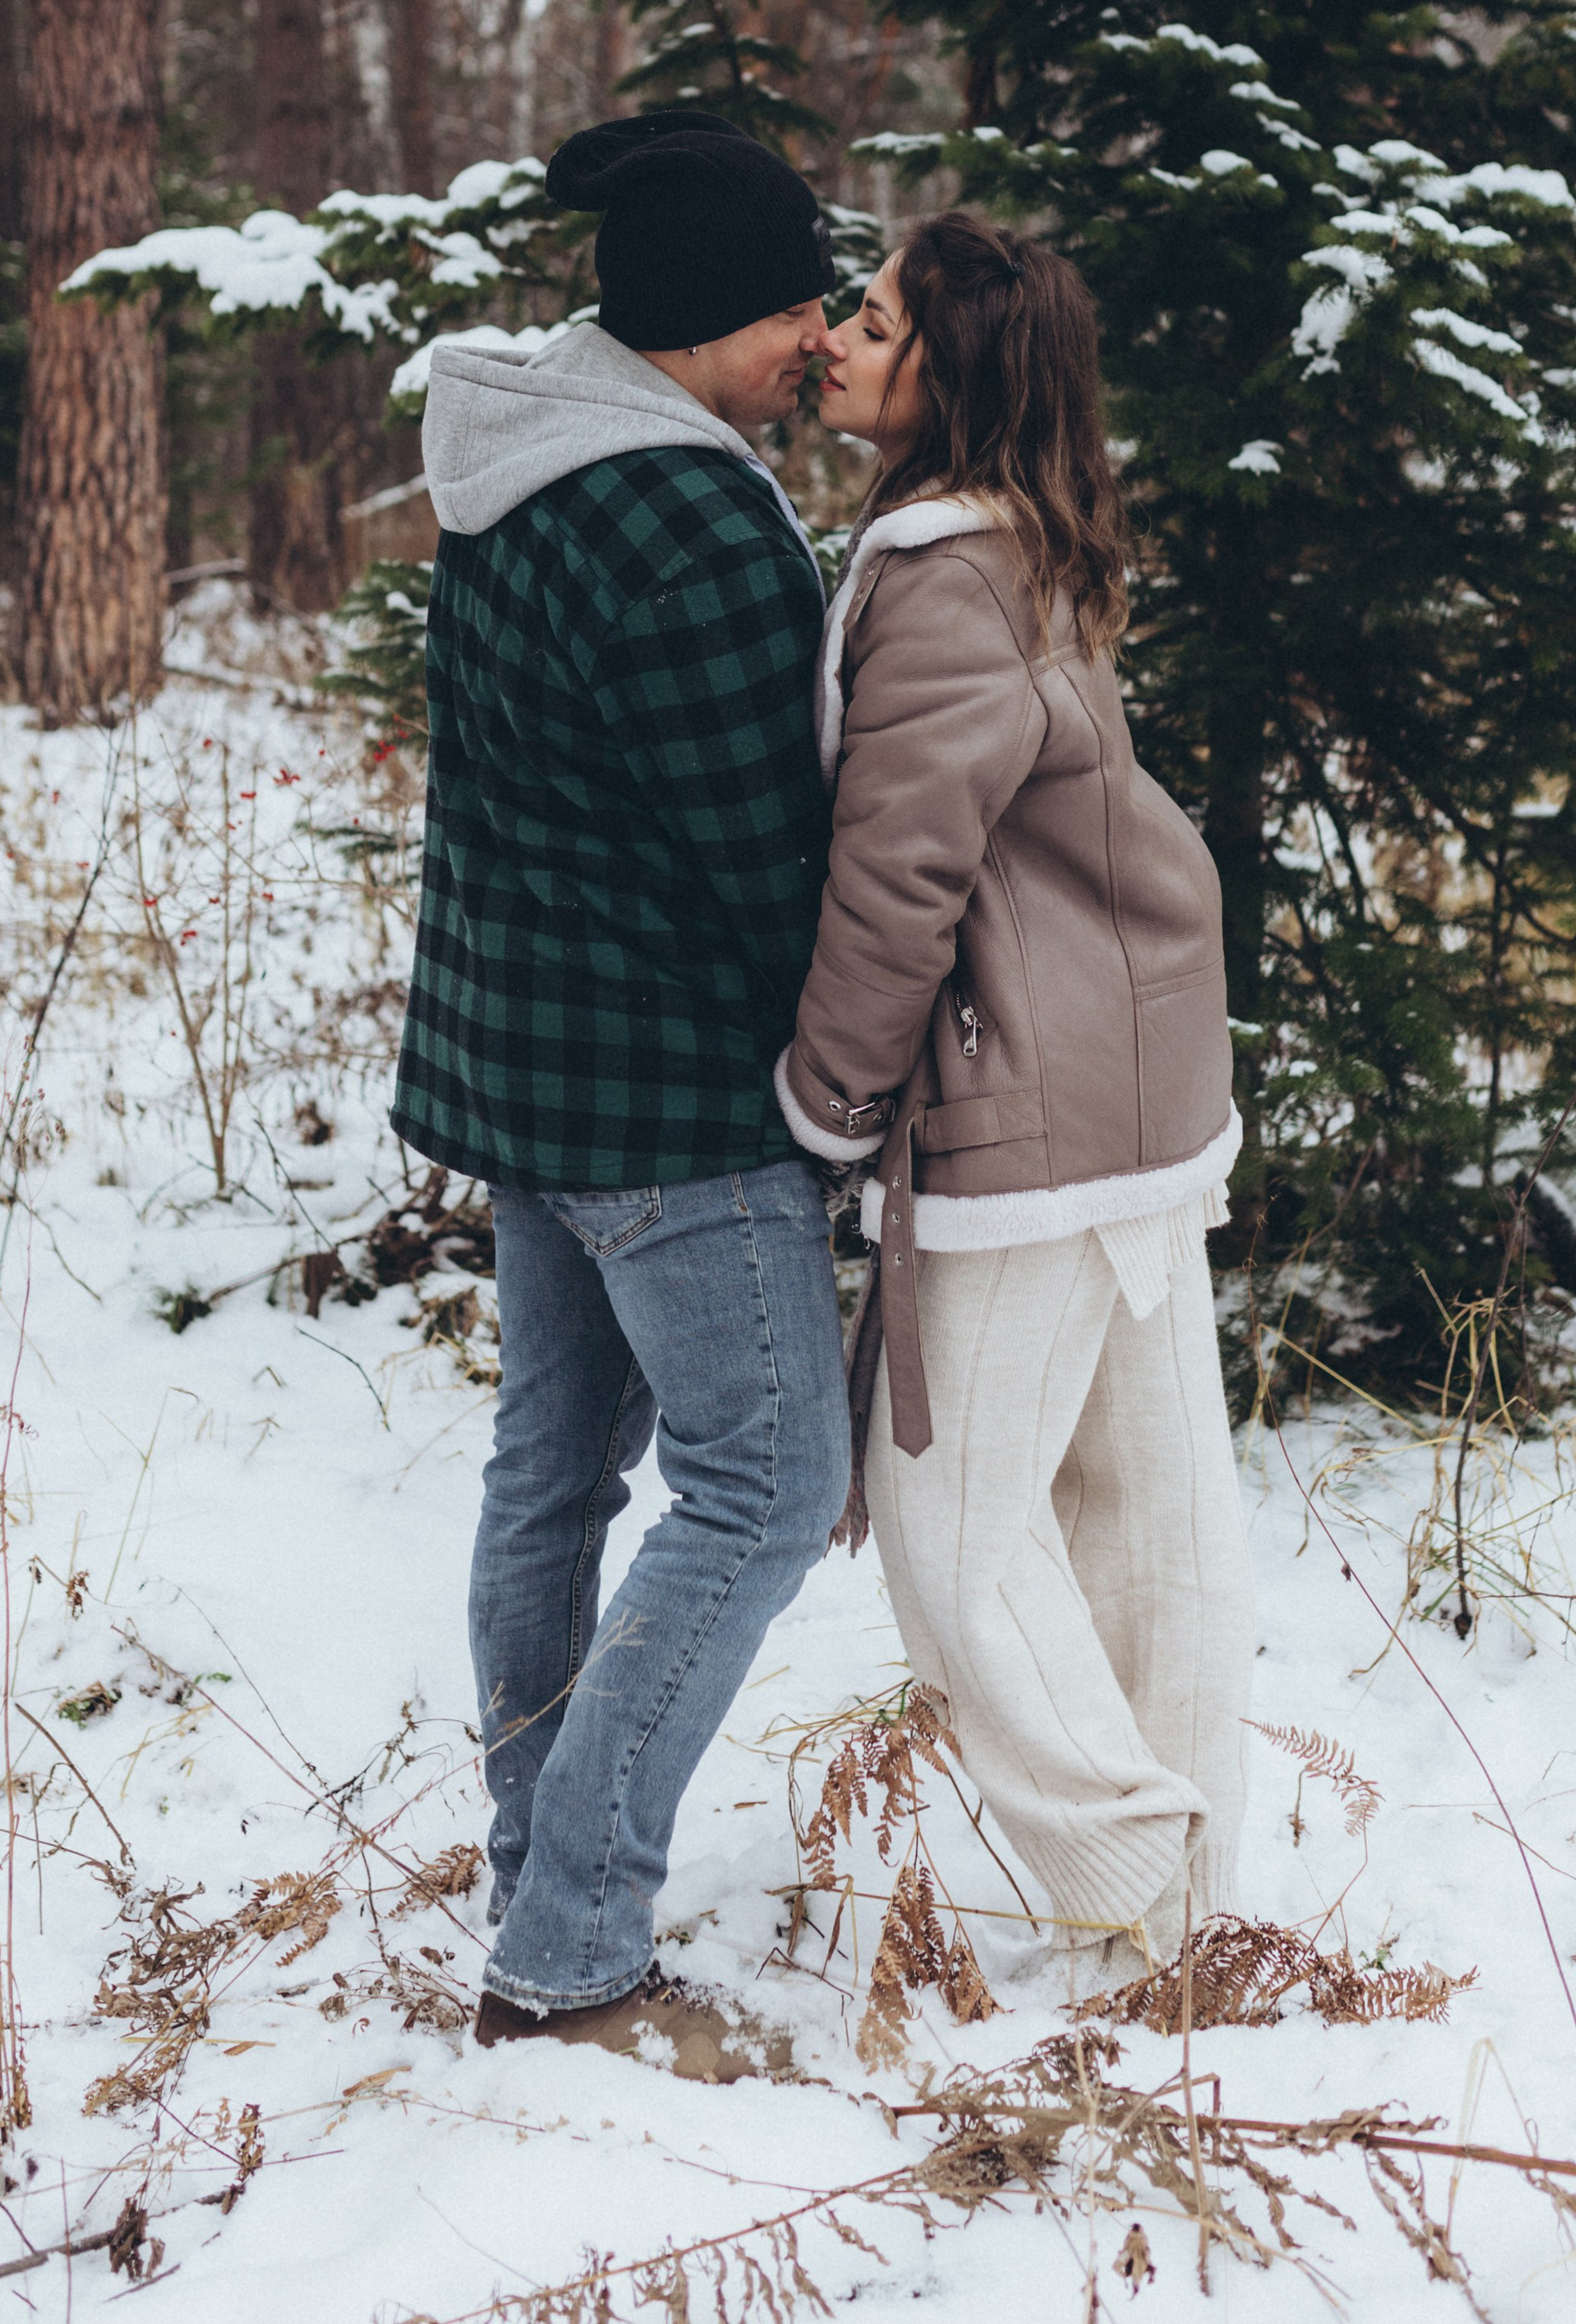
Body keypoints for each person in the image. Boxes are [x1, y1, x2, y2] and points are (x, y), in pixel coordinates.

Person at [392, 106, 851, 2076]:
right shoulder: (686, 514)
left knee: (553, 1476)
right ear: (709, 321)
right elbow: (773, 861)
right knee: (765, 1491)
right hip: (670, 1104)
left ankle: (529, 1863)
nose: (822, 341)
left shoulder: (512, 466)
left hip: (522, 1074)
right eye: (798, 308)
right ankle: (571, 1937)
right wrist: (854, 1084)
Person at [773, 210, 1254, 1981]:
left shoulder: (941, 578)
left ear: (942, 371)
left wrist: (827, 1094)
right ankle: (1189, 1937)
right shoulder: (1014, 547)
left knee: (949, 1526)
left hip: (1030, 1103)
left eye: (875, 315)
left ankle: (1131, 1861)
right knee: (1147, 1504)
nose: (836, 331)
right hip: (1125, 1081)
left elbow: (902, 869)